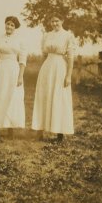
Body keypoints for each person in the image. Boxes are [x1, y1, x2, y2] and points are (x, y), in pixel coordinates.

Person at [32, 14, 75, 143]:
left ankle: (60, 134)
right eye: (52, 21)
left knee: (59, 97)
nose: (54, 23)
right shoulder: (46, 35)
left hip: (60, 68)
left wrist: (68, 76)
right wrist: (42, 70)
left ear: (62, 20)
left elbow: (71, 57)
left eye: (57, 20)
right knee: (43, 97)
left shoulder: (68, 35)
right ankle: (39, 131)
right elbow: (44, 55)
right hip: (47, 68)